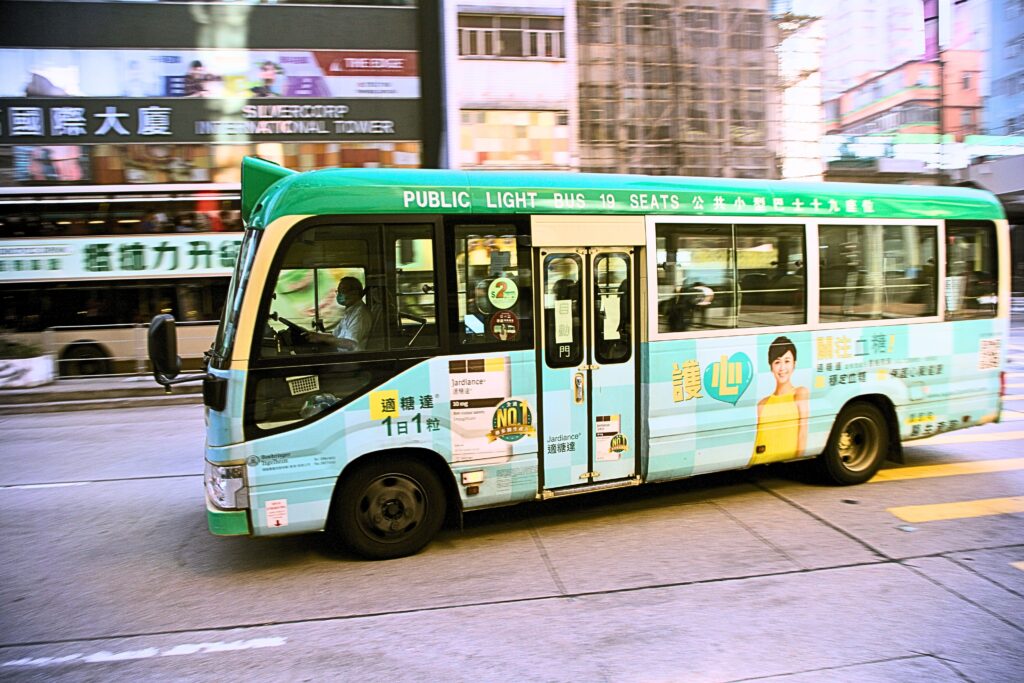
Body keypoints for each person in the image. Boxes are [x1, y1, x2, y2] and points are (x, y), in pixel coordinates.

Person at [750, 336, 809, 466]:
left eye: (787, 361)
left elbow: (803, 434)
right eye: (777, 362)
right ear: (771, 367)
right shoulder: (762, 404)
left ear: (794, 364)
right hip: (762, 464)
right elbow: (758, 442)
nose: (782, 368)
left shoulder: (800, 393)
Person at [304, 277, 371, 352]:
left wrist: (322, 338)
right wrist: (317, 335)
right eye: (338, 291)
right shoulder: (350, 312)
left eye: (342, 291)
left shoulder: (359, 314)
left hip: (349, 357)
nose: (339, 294)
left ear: (355, 293)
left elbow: (351, 344)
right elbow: (335, 335)